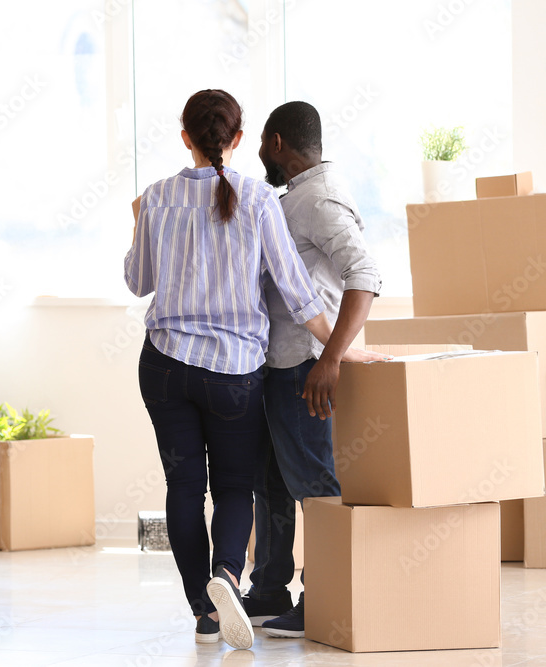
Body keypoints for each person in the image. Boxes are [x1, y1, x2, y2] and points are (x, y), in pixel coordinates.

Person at [124, 89, 348, 651]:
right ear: (239, 139)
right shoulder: (257, 198)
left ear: (185, 138)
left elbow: (137, 281)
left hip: (167, 366)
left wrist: (137, 223)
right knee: (233, 487)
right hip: (234, 374)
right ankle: (226, 576)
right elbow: (297, 292)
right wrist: (339, 350)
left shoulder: (156, 198)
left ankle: (203, 613)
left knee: (183, 487)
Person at [243, 101, 384, 638]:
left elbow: (365, 274)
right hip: (279, 363)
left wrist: (329, 360)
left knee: (315, 486)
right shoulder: (295, 198)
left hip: (305, 365)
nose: (260, 152)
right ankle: (269, 588)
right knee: (272, 480)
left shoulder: (319, 200)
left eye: (262, 142)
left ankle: (322, 597)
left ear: (277, 142)